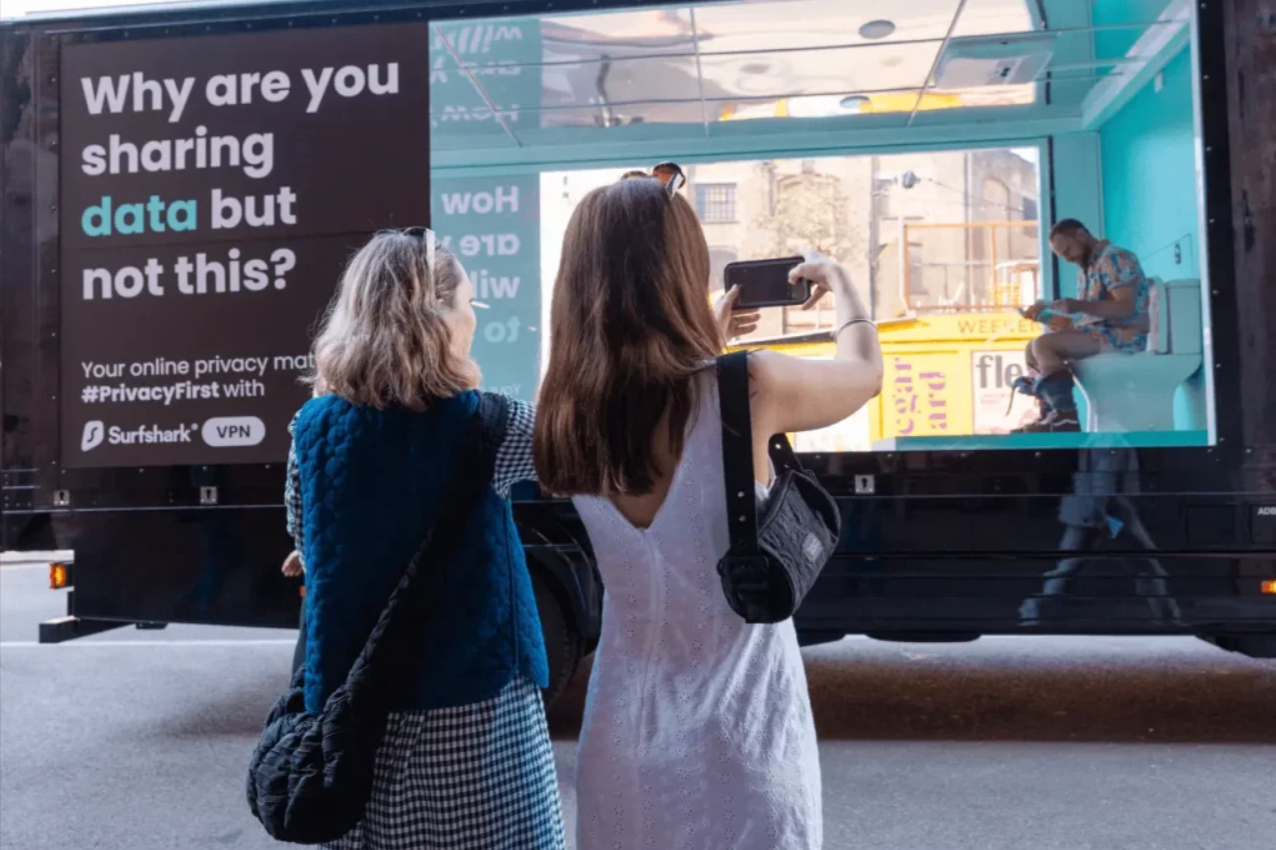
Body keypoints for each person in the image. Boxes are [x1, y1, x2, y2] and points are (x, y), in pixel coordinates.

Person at [533, 164, 883, 850]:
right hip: (742, 737)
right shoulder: (747, 387)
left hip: (621, 737)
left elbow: (657, 401)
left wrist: (706, 346)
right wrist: (844, 284)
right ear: (680, 268)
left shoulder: (563, 413)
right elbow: (864, 375)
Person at [284, 228, 565, 850]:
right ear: (435, 314)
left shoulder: (312, 427)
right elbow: (578, 449)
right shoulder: (490, 424)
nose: (472, 318)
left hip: (355, 715)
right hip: (477, 708)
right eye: (468, 302)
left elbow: (303, 533)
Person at [1013, 219, 1151, 433]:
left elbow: (1125, 309)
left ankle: (1065, 419)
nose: (1067, 258)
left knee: (1043, 345)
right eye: (1062, 256)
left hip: (1123, 336)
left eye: (1067, 250)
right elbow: (1084, 321)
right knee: (1032, 348)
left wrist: (1078, 305)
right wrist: (1046, 318)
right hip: (1100, 334)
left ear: (1081, 235)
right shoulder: (1086, 271)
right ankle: (1050, 414)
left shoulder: (1115, 258)